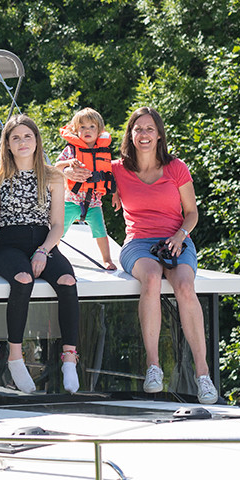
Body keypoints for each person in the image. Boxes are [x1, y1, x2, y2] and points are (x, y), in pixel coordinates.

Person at [96, 106, 217, 404]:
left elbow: (192, 213)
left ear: (159, 134)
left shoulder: (176, 167)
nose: (144, 134)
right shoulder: (116, 169)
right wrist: (103, 185)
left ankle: (203, 375)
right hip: (138, 242)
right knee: (151, 278)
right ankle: (153, 367)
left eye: (150, 129)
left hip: (176, 238)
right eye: (138, 129)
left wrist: (180, 236)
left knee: (185, 286)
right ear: (130, 135)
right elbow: (80, 169)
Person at [0, 115, 81, 394]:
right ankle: (15, 357)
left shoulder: (53, 176)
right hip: (9, 244)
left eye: (27, 136)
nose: (22, 142)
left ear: (37, 140)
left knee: (67, 281)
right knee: (23, 279)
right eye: (15, 137)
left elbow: (57, 225)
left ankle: (70, 358)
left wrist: (43, 250)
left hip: (44, 242)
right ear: (7, 144)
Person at [56, 108, 117, 270]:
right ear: (76, 130)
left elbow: (110, 175)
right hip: (71, 200)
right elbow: (56, 166)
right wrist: (68, 164)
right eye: (82, 127)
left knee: (100, 231)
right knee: (58, 231)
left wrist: (115, 194)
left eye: (92, 127)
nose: (87, 130)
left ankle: (107, 260)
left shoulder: (103, 150)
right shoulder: (71, 149)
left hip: (94, 203)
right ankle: (50, 255)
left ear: (99, 131)